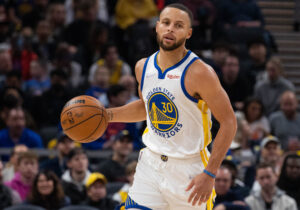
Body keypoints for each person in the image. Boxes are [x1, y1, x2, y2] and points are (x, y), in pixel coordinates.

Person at [106, 3, 237, 209]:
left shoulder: (201, 73)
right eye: (166, 23)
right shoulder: (143, 67)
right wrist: (107, 115)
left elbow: (229, 122)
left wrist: (210, 173)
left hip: (189, 170)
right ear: (157, 26)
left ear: (188, 33)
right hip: (151, 163)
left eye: (178, 25)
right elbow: (146, 108)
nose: (170, 29)